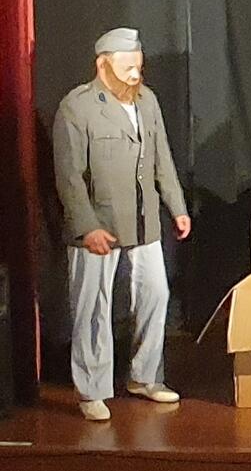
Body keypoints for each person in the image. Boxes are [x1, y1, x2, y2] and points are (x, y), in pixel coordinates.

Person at [53, 28, 192, 421]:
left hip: (143, 221)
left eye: (139, 66)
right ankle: (91, 390)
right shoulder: (77, 107)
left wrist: (177, 207)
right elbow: (68, 176)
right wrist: (86, 227)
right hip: (98, 223)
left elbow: (161, 158)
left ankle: (145, 376)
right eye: (127, 67)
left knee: (155, 294)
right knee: (93, 308)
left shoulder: (146, 100)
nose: (135, 74)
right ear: (103, 65)